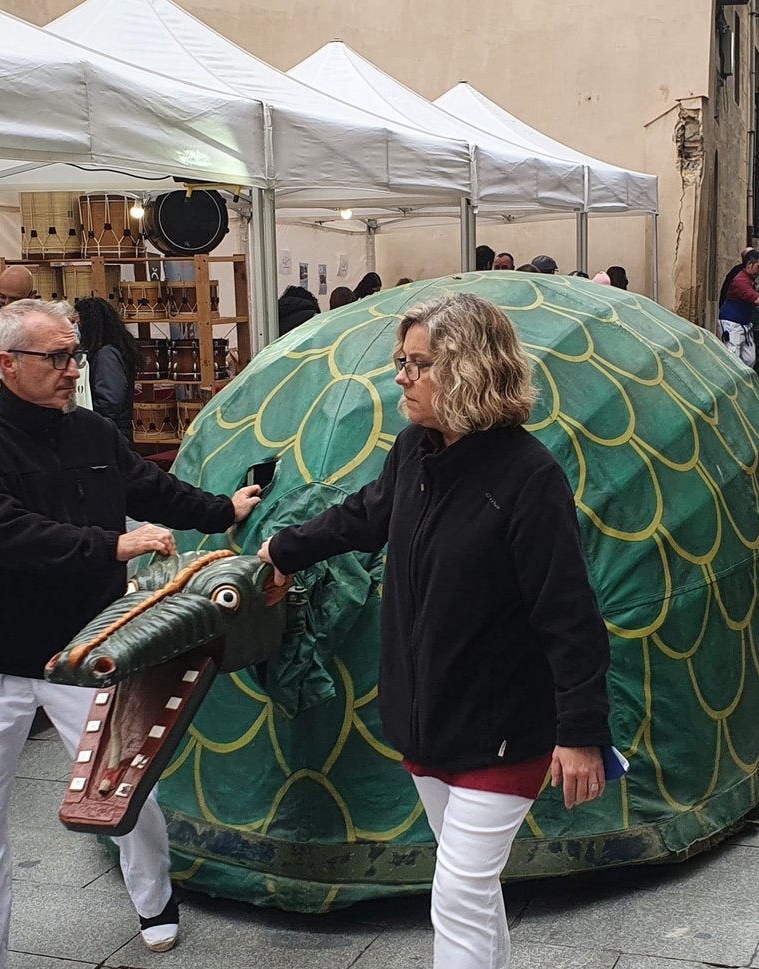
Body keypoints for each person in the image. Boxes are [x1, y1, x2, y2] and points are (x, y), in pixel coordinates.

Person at [257, 293, 612, 969]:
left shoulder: (528, 477)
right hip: (427, 721)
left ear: (469, 370)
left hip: (503, 728)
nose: (401, 376)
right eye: (402, 360)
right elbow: (365, 515)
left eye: (419, 363)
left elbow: (568, 613)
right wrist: (282, 549)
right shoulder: (416, 451)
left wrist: (581, 732)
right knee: (469, 889)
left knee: (455, 891)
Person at [0, 299, 263, 967]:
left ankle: (154, 898)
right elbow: (1, 532)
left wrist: (222, 507)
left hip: (90, 652)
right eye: (54, 357)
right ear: (6, 363)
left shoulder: (91, 432)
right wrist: (111, 545)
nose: (70, 369)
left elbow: (151, 486)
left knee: (128, 789)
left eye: (72, 355)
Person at [74, 296, 138, 445]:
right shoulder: (100, 352)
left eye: (77, 322)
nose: (75, 326)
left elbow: (110, 402)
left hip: (110, 434)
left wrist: (81, 414)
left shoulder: (107, 354)